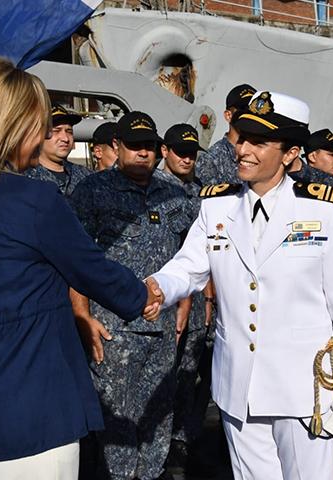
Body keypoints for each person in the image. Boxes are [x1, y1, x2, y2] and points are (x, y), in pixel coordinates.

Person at [0, 58, 162, 480]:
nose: (43, 137)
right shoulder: (34, 201)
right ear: (14, 128)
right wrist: (144, 295)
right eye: (39, 124)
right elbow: (91, 269)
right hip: (30, 423)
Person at [149, 91, 333, 480]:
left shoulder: (324, 208)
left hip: (306, 392)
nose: (244, 150)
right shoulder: (216, 205)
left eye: (259, 142)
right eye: (242, 138)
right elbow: (187, 268)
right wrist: (154, 287)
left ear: (289, 154)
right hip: (239, 389)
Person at [69, 111, 195, 480]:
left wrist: (184, 307)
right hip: (113, 332)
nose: (143, 153)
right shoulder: (91, 192)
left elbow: (188, 256)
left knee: (158, 418)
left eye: (149, 147)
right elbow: (75, 261)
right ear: (116, 146)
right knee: (116, 424)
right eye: (135, 146)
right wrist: (83, 317)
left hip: (163, 330)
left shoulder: (174, 195)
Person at [160, 124, 216, 477]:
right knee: (161, 373)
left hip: (196, 300)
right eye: (180, 150)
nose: (187, 157)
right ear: (165, 151)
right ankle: (159, 443)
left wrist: (208, 297)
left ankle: (181, 439)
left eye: (192, 152)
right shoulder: (152, 188)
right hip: (163, 296)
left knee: (189, 371)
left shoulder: (203, 193)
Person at [195, 83, 256, 185]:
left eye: (254, 112)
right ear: (228, 115)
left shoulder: (261, 154)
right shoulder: (211, 161)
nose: (250, 117)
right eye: (244, 111)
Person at [25, 103, 90, 195]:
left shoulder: (86, 176)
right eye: (56, 131)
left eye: (69, 131)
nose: (65, 138)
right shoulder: (23, 178)